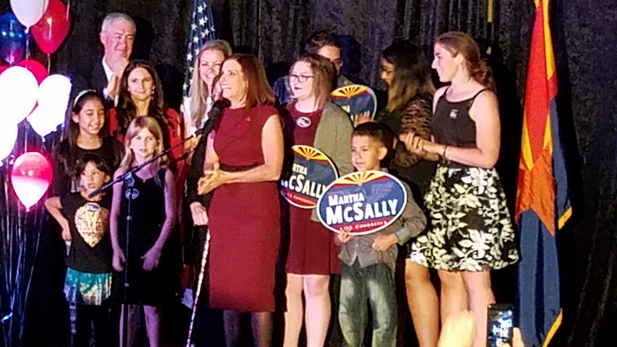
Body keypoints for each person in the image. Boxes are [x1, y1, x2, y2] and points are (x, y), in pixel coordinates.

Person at [400, 31, 519, 347]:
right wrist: (418, 147)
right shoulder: (439, 97)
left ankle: (495, 343)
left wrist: (438, 150)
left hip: (476, 194)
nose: (434, 64)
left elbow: (488, 156)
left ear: (460, 58)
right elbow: (437, 150)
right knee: (447, 275)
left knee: (478, 281)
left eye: (440, 56)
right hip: (445, 191)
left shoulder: (483, 99)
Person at [195, 54, 284, 347]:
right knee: (228, 293)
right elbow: (211, 162)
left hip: (256, 212)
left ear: (249, 80)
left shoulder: (267, 116)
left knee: (257, 294)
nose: (223, 79)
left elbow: (273, 169)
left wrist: (227, 178)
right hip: (225, 210)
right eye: (222, 74)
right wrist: (208, 178)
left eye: (231, 73)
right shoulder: (218, 117)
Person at [280, 53, 354, 347]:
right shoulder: (282, 113)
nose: (295, 82)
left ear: (320, 79)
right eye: (292, 76)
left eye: (303, 77)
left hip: (318, 214)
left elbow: (346, 169)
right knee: (289, 285)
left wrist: (340, 216)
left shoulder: (335, 117)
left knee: (316, 283)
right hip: (287, 210)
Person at [373, 41, 440, 347]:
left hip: (416, 197)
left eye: (388, 71)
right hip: (397, 198)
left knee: (414, 276)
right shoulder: (398, 104)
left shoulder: (418, 105)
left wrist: (377, 139)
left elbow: (410, 155)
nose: (383, 77)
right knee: (403, 277)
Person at [336, 122, 427, 347]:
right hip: (350, 258)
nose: (357, 156)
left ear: (381, 152)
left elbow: (418, 220)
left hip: (378, 260)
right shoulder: (346, 188)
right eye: (354, 150)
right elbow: (336, 224)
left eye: (364, 150)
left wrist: (394, 237)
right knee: (347, 315)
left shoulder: (395, 188)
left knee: (384, 318)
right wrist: (339, 237)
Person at [110, 116, 178, 347]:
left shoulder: (163, 175)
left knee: (152, 308)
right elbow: (115, 213)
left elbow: (171, 216)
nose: (143, 143)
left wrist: (156, 250)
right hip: (128, 245)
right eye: (138, 138)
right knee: (127, 306)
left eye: (149, 138)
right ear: (129, 142)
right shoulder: (122, 174)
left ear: (157, 143)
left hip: (151, 245)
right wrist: (116, 249)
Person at [45, 154, 114, 347]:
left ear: (106, 177)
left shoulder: (111, 202)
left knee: (102, 325)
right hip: (79, 270)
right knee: (80, 326)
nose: (89, 178)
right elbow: (49, 203)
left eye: (95, 173)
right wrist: (65, 224)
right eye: (84, 174)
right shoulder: (72, 200)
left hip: (102, 271)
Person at [109, 60, 183, 171]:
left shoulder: (169, 116)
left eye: (146, 80)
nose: (141, 86)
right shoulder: (114, 116)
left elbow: (177, 156)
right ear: (127, 86)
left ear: (153, 85)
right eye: (135, 81)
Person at [53, 90, 124, 196]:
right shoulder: (63, 150)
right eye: (90, 114)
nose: (96, 119)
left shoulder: (114, 148)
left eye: (101, 113)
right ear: (76, 117)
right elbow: (57, 194)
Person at [272, 30, 353, 105]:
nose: (332, 67)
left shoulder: (349, 92)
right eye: (326, 61)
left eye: (337, 62)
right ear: (309, 60)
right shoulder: (283, 87)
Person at [93, 13, 136, 101]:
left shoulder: (140, 76)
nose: (124, 44)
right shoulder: (83, 77)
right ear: (104, 38)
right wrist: (109, 94)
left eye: (129, 38)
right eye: (118, 37)